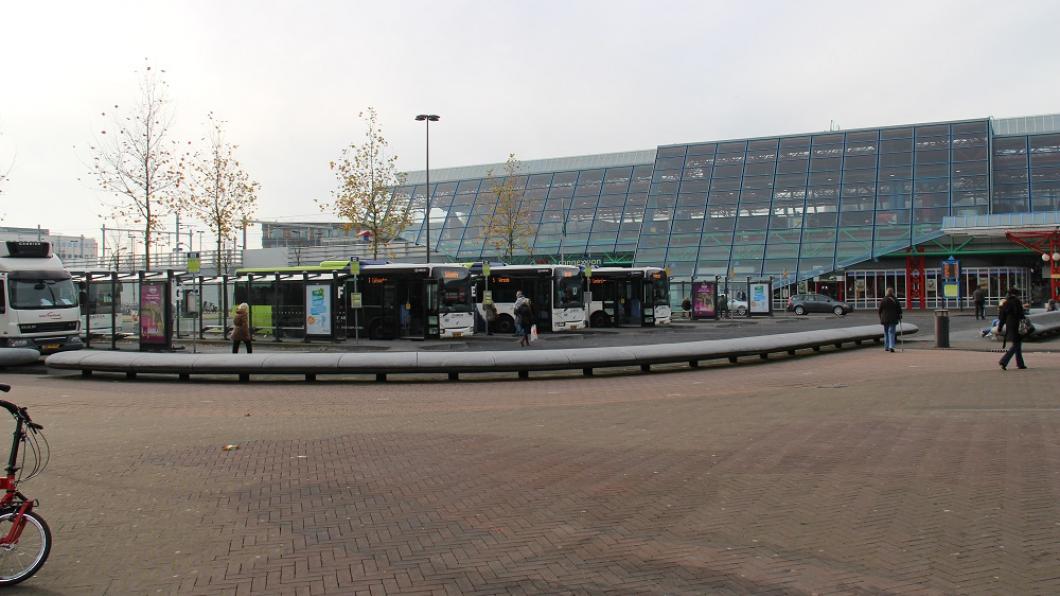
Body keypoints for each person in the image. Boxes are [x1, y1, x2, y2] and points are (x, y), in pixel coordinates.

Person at [997, 288, 1027, 370]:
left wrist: (999, 327)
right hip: (1016, 324)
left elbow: (1002, 317)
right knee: (1016, 344)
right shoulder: (1017, 301)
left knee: (1017, 344)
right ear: (1015, 294)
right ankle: (1004, 361)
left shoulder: (1005, 303)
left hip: (1009, 324)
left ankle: (1020, 364)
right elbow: (1021, 314)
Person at [877, 287, 902, 352]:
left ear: (886, 292)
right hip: (893, 319)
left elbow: (879, 310)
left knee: (886, 332)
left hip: (885, 319)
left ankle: (886, 347)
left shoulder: (883, 300)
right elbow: (899, 310)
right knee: (891, 332)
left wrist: (881, 318)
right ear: (892, 292)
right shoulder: (895, 300)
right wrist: (899, 316)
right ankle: (891, 346)